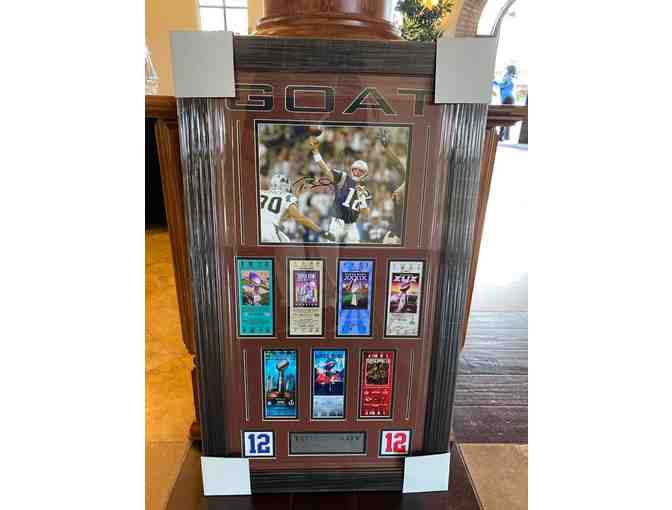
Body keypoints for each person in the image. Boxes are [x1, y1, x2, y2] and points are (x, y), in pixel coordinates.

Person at [493, 65, 518, 141]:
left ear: (509, 70)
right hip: (508, 98)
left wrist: (494, 82)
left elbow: (503, 84)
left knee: (503, 115)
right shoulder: (511, 76)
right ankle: (501, 135)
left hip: (508, 98)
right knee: (504, 116)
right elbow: (503, 84)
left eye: (507, 69)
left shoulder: (509, 76)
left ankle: (501, 135)